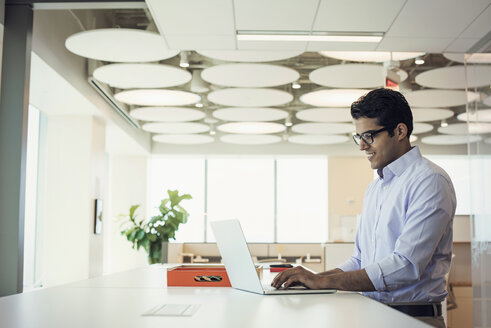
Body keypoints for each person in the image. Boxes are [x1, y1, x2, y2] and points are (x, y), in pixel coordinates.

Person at [271, 88, 456, 328]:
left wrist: (323, 283)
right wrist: (313, 277)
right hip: (373, 315)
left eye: (369, 135)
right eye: (359, 137)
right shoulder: (376, 188)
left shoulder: (429, 181)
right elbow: (360, 260)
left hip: (413, 319)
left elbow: (405, 266)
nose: (362, 146)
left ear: (400, 131)